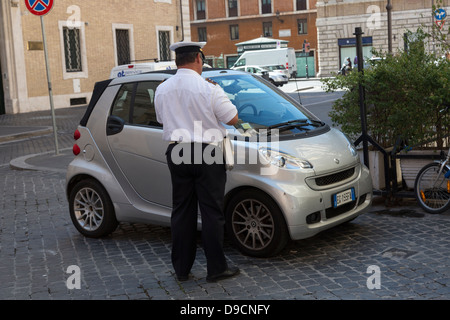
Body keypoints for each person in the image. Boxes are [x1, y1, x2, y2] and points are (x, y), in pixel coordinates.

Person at [154, 41, 240, 282]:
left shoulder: (163, 88)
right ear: (199, 59)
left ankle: (182, 269)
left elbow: (162, 119)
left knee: (182, 211)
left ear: (176, 62)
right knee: (212, 212)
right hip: (206, 152)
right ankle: (216, 268)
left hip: (177, 151)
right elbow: (232, 118)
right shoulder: (209, 88)